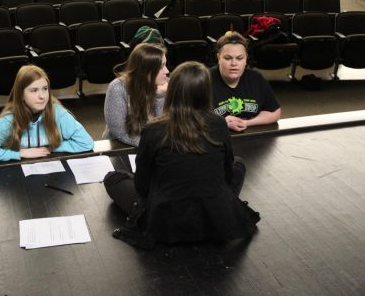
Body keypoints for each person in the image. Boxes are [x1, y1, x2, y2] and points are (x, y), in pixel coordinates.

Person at [103, 61, 260, 249]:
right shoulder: (218, 123)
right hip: (215, 209)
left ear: (173, 90)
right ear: (205, 92)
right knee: (238, 164)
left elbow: (143, 187)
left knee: (114, 178)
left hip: (166, 216)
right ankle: (209, 214)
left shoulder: (153, 129)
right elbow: (226, 176)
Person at [0, 65, 94, 162]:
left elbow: (86, 143)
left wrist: (49, 148)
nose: (42, 96)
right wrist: (20, 153)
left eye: (45, 89)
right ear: (21, 94)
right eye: (34, 90)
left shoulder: (58, 113)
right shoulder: (9, 120)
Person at [211, 31, 281, 132]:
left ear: (246, 59)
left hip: (250, 136)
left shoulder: (256, 79)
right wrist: (221, 122)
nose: (234, 63)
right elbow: (188, 118)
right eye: (228, 58)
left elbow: (275, 112)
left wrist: (246, 123)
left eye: (239, 58)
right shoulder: (204, 80)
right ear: (218, 58)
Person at [102, 43, 169, 146]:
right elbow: (120, 133)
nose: (167, 71)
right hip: (121, 145)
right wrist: (149, 147)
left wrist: (160, 97)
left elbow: (162, 130)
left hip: (154, 146)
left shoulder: (167, 85)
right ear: (146, 71)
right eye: (161, 67)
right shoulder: (118, 88)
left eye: (166, 64)